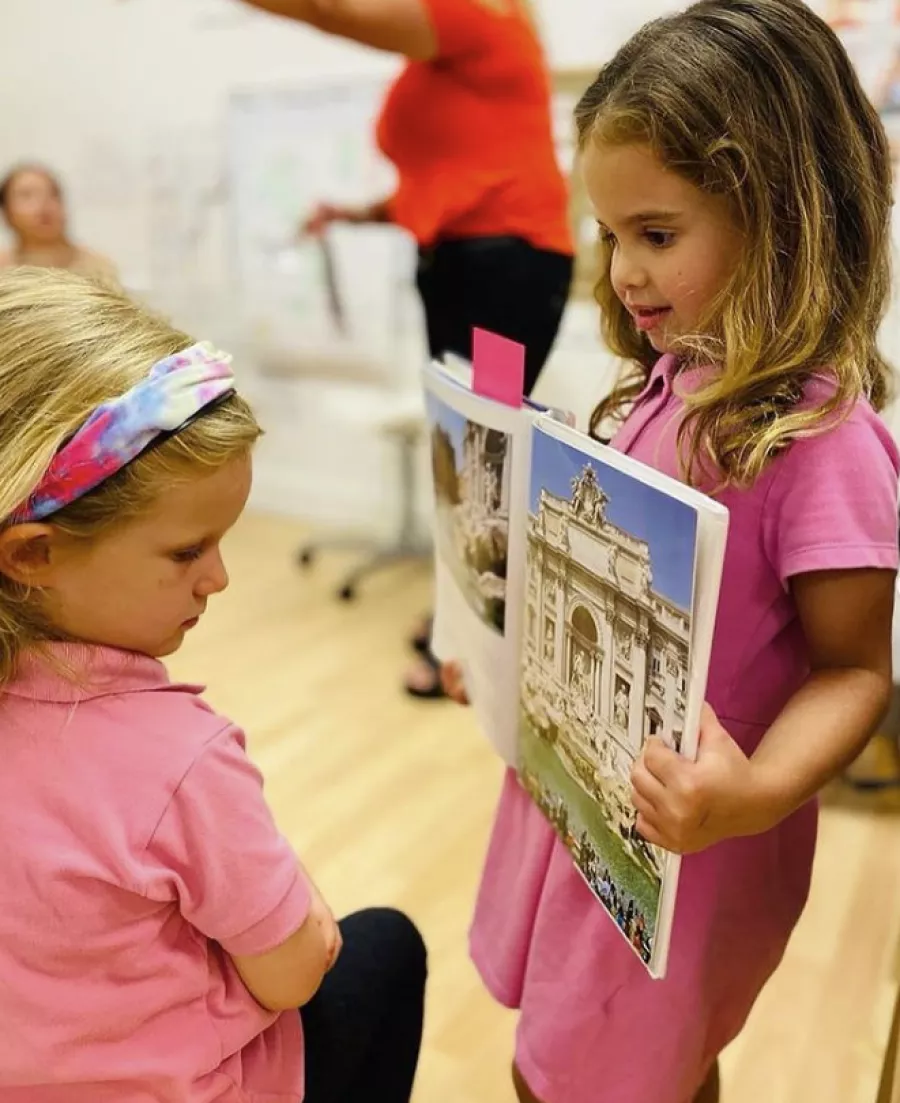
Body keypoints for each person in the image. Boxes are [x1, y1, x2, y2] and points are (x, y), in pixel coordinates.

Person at [442, 2, 900, 1101]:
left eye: (657, 234)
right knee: (616, 1058)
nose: (627, 274)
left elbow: (856, 668)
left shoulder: (820, 437)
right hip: (594, 808)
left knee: (585, 1071)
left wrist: (753, 794)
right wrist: (495, 641)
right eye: (611, 237)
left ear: (784, 217)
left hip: (693, 843)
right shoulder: (674, 371)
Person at [0, 266, 426, 1102]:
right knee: (388, 945)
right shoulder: (178, 761)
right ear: (33, 555)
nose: (220, 577)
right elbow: (297, 970)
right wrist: (300, 892)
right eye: (186, 551)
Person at [238, 0, 575, 697]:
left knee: (483, 453)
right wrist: (359, 213)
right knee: (463, 450)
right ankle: (466, 624)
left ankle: (472, 639)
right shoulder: (445, 60)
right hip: (462, 266)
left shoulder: (486, 21)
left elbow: (330, 12)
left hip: (505, 271)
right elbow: (446, 180)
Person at [0, 163, 118, 282]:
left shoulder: (98, 268)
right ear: (6, 211)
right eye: (27, 195)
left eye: (52, 194)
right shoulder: (3, 270)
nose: (43, 204)